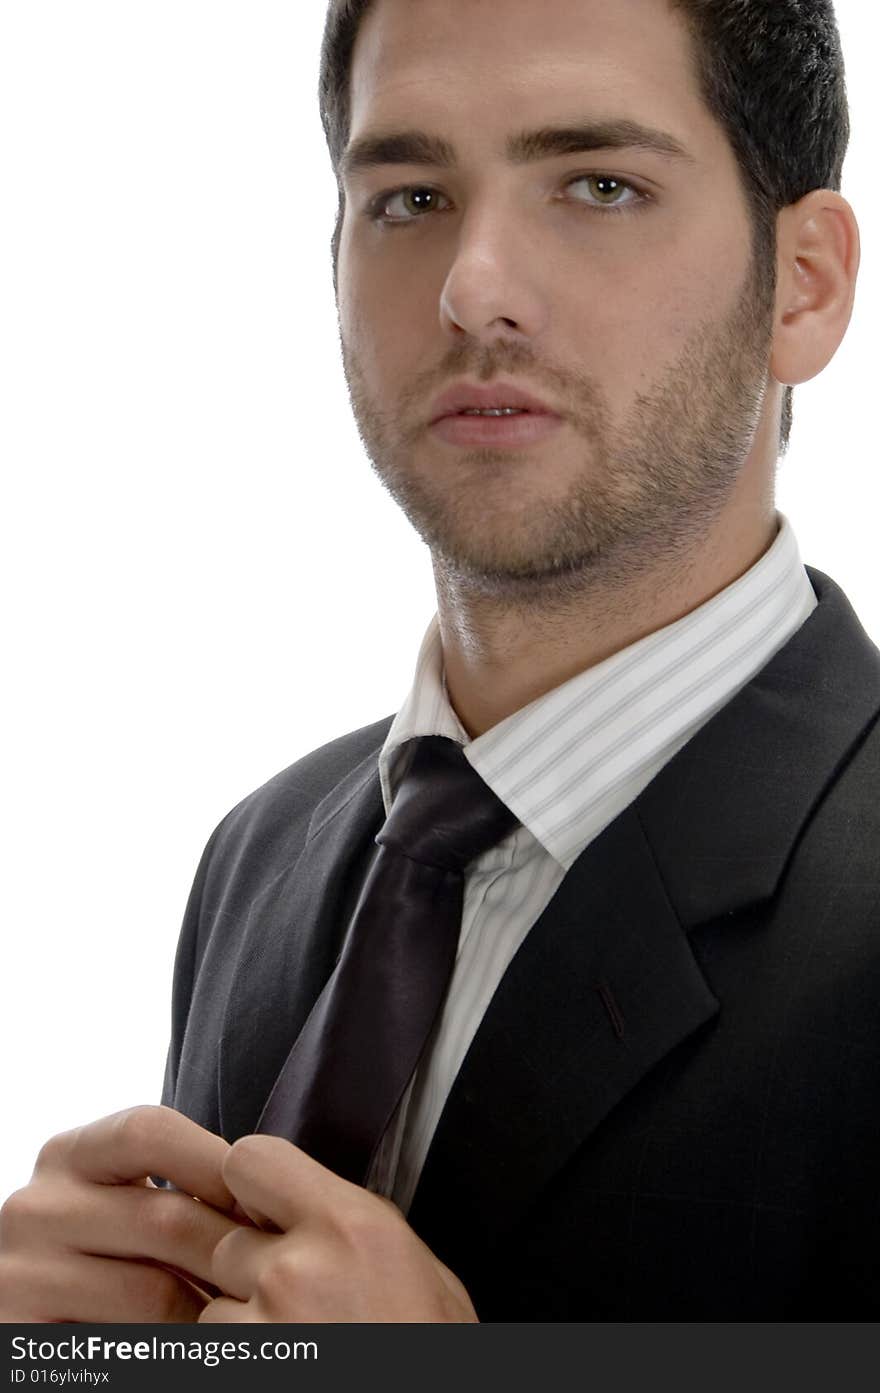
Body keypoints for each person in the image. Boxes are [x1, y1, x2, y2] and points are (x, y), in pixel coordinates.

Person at [0, 0, 874, 1323]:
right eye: (409, 198)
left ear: (803, 284)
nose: (474, 288)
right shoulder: (263, 853)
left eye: (597, 183)